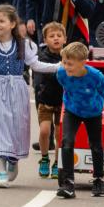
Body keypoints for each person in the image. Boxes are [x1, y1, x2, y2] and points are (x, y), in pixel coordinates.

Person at [0, 4, 61, 188]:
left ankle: (13, 160)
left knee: (17, 128)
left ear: (13, 24)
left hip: (18, 90)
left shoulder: (24, 45)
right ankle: (1, 171)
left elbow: (36, 65)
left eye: (2, 21)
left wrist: (57, 67)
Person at [54, 41, 104, 199]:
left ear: (83, 62)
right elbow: (65, 87)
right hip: (72, 110)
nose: (66, 67)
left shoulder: (96, 76)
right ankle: (68, 183)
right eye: (64, 62)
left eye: (70, 64)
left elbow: (102, 91)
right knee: (67, 141)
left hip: (93, 112)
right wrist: (71, 103)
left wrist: (97, 106)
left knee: (96, 145)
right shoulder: (61, 73)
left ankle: (99, 180)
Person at [34, 22, 66, 179]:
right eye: (52, 36)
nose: (56, 39)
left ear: (65, 39)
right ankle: (45, 158)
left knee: (60, 134)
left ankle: (57, 163)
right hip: (45, 99)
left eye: (59, 36)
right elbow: (43, 75)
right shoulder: (41, 57)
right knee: (44, 131)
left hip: (63, 102)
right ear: (45, 40)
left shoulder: (67, 55)